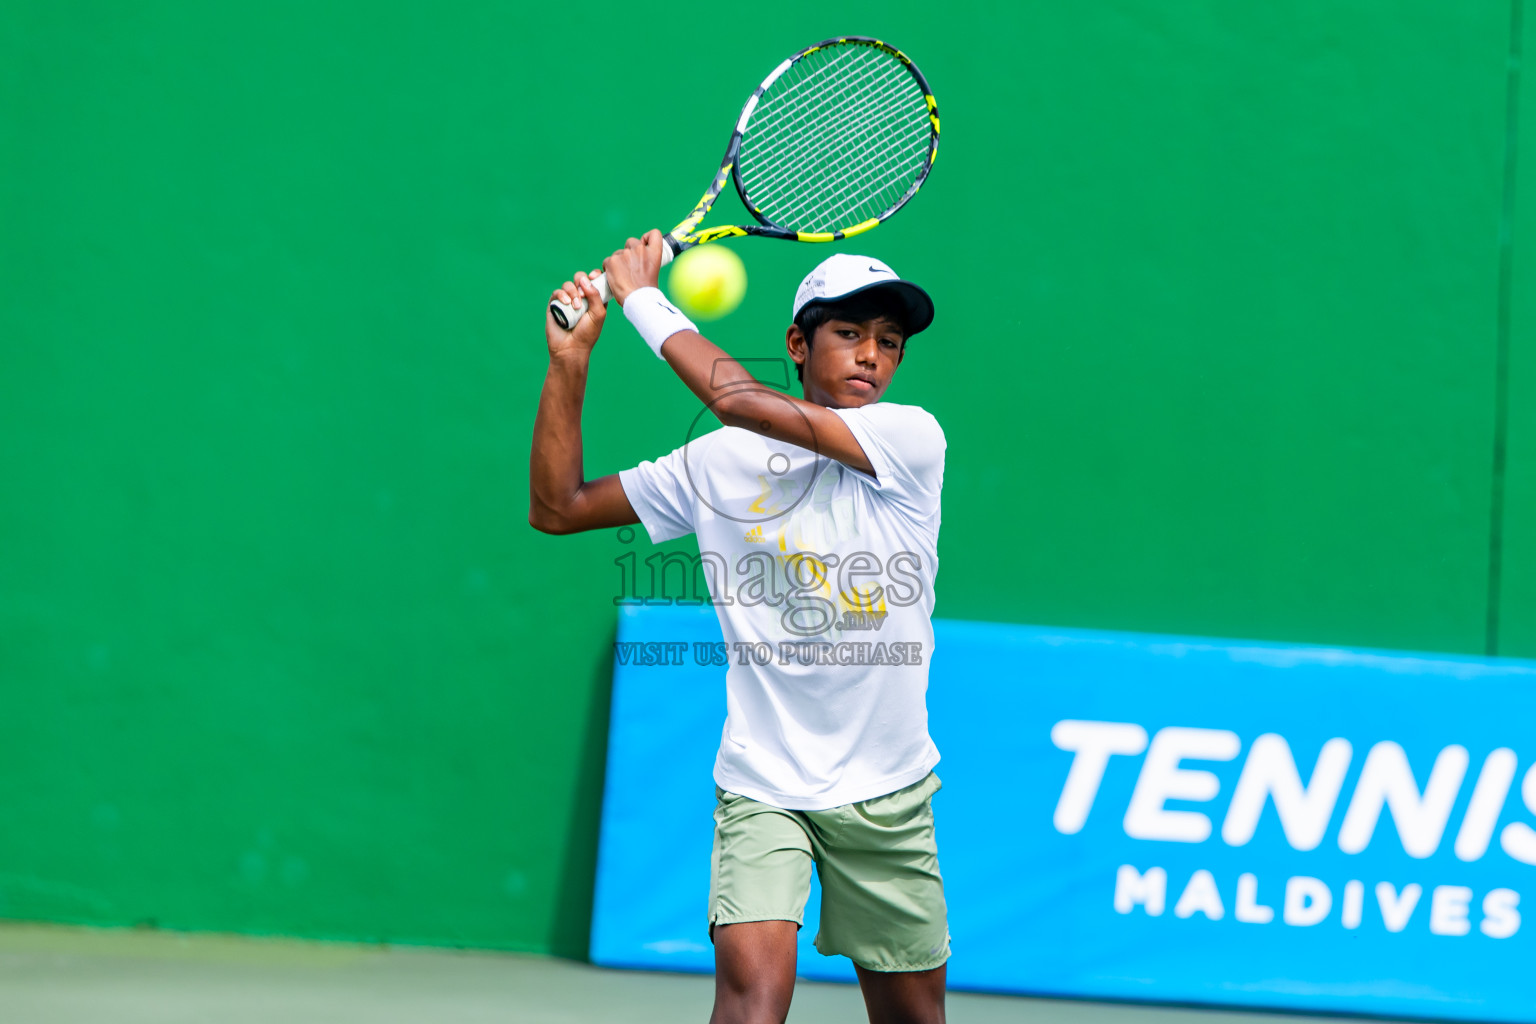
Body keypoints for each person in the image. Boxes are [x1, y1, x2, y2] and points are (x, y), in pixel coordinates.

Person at [530, 229, 949, 1024]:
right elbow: (559, 507)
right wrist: (570, 364)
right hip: (764, 784)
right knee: (752, 1003)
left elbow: (737, 400)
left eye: (888, 343)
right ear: (798, 343)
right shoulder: (718, 464)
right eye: (850, 334)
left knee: (912, 1019)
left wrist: (644, 300)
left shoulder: (910, 440)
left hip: (888, 790)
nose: (871, 356)